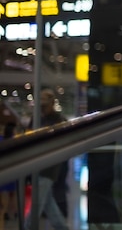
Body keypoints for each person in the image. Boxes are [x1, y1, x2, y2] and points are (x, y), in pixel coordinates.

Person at [25, 89, 69, 230]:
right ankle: (62, 227)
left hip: (50, 166)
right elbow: (27, 137)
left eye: (44, 105)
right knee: (48, 203)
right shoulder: (36, 118)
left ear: (52, 104)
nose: (42, 108)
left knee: (38, 202)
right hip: (37, 165)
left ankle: (26, 227)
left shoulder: (59, 120)